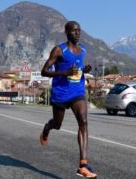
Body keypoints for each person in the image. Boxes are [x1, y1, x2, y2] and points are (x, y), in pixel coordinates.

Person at [40, 21, 96, 178]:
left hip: (77, 92)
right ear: (67, 32)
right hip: (60, 93)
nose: (77, 33)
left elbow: (76, 70)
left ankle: (83, 165)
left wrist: (84, 70)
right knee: (57, 124)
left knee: (83, 122)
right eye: (74, 31)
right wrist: (64, 73)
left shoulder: (82, 50)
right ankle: (47, 128)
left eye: (79, 30)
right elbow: (44, 71)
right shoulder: (59, 50)